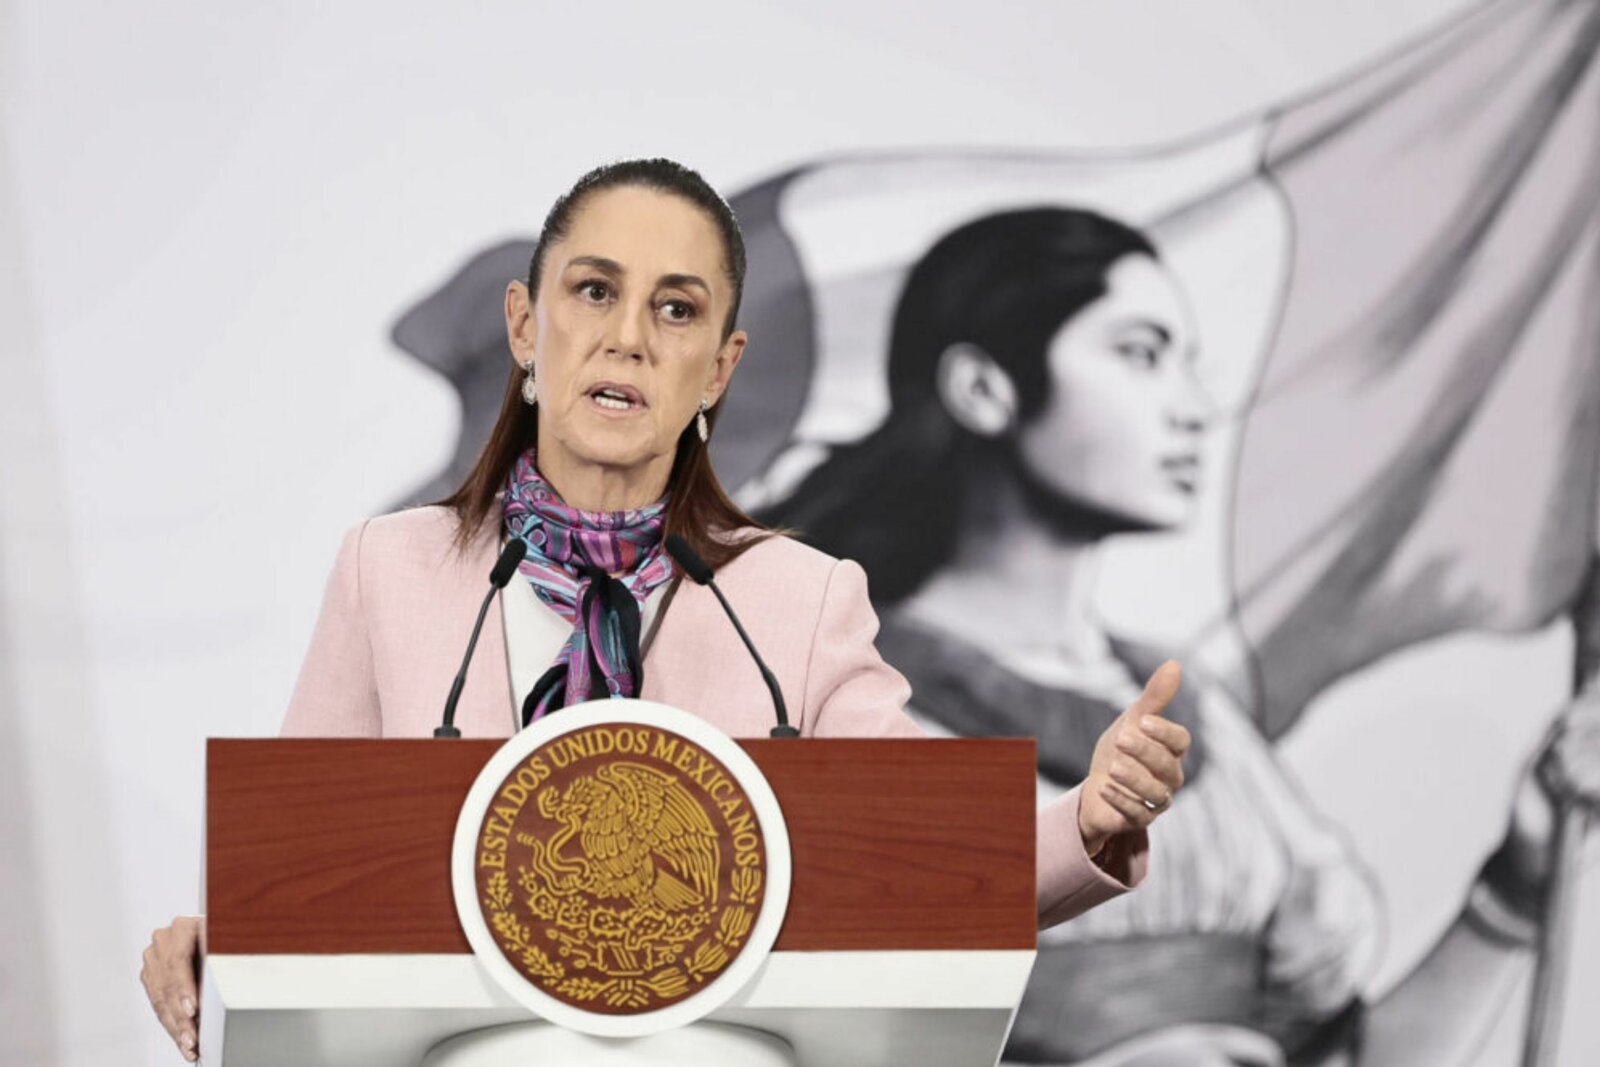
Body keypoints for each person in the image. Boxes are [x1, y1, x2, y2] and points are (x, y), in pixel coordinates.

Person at [138, 160, 1193, 1062]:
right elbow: (304, 866)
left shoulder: (799, 596)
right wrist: (219, 940)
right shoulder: (391, 568)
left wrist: (1087, 821)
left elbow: (932, 863)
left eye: (677, 309)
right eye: (594, 291)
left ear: (720, 367)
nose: (629, 338)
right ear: (525, 325)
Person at [762, 206, 1600, 1066]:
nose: (1195, 407)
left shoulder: (1194, 712)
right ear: (984, 388)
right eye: (1141, 353)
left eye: (1188, 364)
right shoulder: (839, 699)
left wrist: (1516, 884)